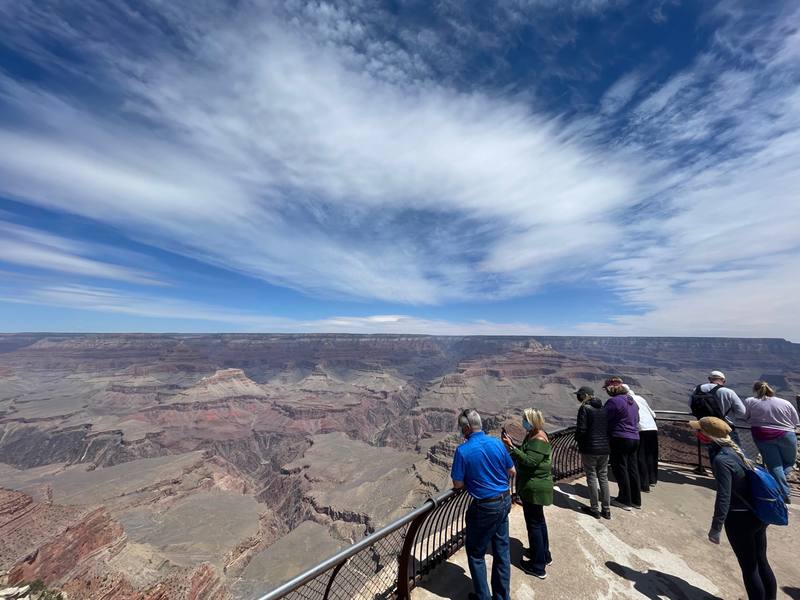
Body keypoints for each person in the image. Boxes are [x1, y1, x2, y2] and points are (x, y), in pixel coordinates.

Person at [692, 416, 777, 600]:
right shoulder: (739, 453)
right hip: (757, 515)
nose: (697, 433)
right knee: (761, 562)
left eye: (699, 430)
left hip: (740, 520)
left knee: (749, 568)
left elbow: (724, 496)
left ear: (707, 435)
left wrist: (716, 527)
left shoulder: (721, 461)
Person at [451, 409, 515, 600]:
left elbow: (458, 484)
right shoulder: (496, 442)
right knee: (502, 551)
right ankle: (502, 597)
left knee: (476, 554)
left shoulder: (462, 451)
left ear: (467, 428)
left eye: (462, 428)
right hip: (505, 500)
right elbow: (511, 471)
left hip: (485, 507)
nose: (461, 431)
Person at [502, 408, 553, 579]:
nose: (522, 422)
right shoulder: (533, 434)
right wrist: (513, 446)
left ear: (532, 420)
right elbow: (527, 455)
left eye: (525, 419)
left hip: (535, 487)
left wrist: (511, 447)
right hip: (533, 486)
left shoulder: (538, 438)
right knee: (539, 522)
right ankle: (543, 555)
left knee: (534, 525)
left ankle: (538, 567)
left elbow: (530, 461)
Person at [744, 380, 799, 503]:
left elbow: (745, 417)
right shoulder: (785, 402)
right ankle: (779, 487)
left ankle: (782, 491)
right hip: (786, 434)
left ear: (755, 390)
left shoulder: (750, 401)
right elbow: (796, 422)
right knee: (790, 462)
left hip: (762, 434)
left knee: (775, 466)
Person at [604, 377, 641, 511]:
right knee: (632, 468)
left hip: (620, 438)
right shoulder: (633, 402)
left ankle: (624, 500)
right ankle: (636, 500)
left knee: (620, 468)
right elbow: (638, 419)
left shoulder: (614, 402)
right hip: (635, 438)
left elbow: (604, 419)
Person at [573, 385, 611, 519]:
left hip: (590, 448)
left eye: (579, 395)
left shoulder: (585, 408)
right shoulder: (603, 408)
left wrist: (577, 440)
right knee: (603, 477)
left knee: (591, 477)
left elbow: (582, 429)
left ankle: (594, 508)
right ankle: (606, 509)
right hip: (605, 448)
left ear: (584, 396)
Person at [690, 370, 746, 446]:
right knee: (733, 453)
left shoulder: (697, 389)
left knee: (713, 451)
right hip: (725, 427)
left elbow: (690, 404)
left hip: (706, 427)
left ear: (709, 379)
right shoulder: (728, 392)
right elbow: (741, 412)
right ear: (724, 380)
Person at [624, 383, 659, 492]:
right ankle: (652, 480)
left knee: (640, 456)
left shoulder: (626, 400)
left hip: (640, 429)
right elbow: (653, 414)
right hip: (653, 428)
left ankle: (644, 484)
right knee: (651, 454)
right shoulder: (640, 398)